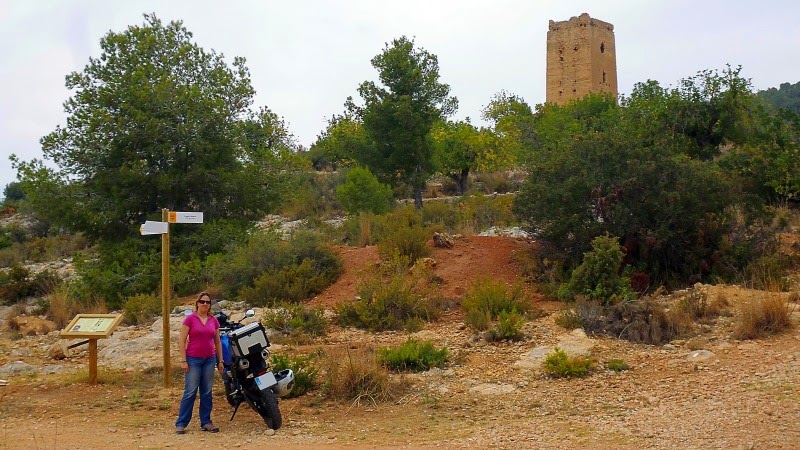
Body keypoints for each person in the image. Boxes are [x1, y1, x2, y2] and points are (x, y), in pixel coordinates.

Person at [175, 292, 224, 434]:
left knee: (207, 392)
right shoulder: (190, 319)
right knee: (190, 391)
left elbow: (217, 341)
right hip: (193, 359)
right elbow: (182, 340)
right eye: (202, 301)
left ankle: (206, 421)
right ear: (197, 303)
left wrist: (220, 360)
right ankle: (181, 423)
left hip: (209, 359)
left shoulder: (213, 320)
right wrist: (183, 360)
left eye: (207, 302)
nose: (205, 304)